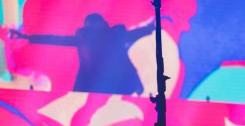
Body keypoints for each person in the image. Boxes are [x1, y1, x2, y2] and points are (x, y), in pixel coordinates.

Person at [10, 13, 154, 95]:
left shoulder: (112, 35)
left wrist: (27, 38)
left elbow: (56, 39)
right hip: (104, 86)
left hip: (113, 86)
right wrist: (28, 38)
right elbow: (56, 39)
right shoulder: (108, 35)